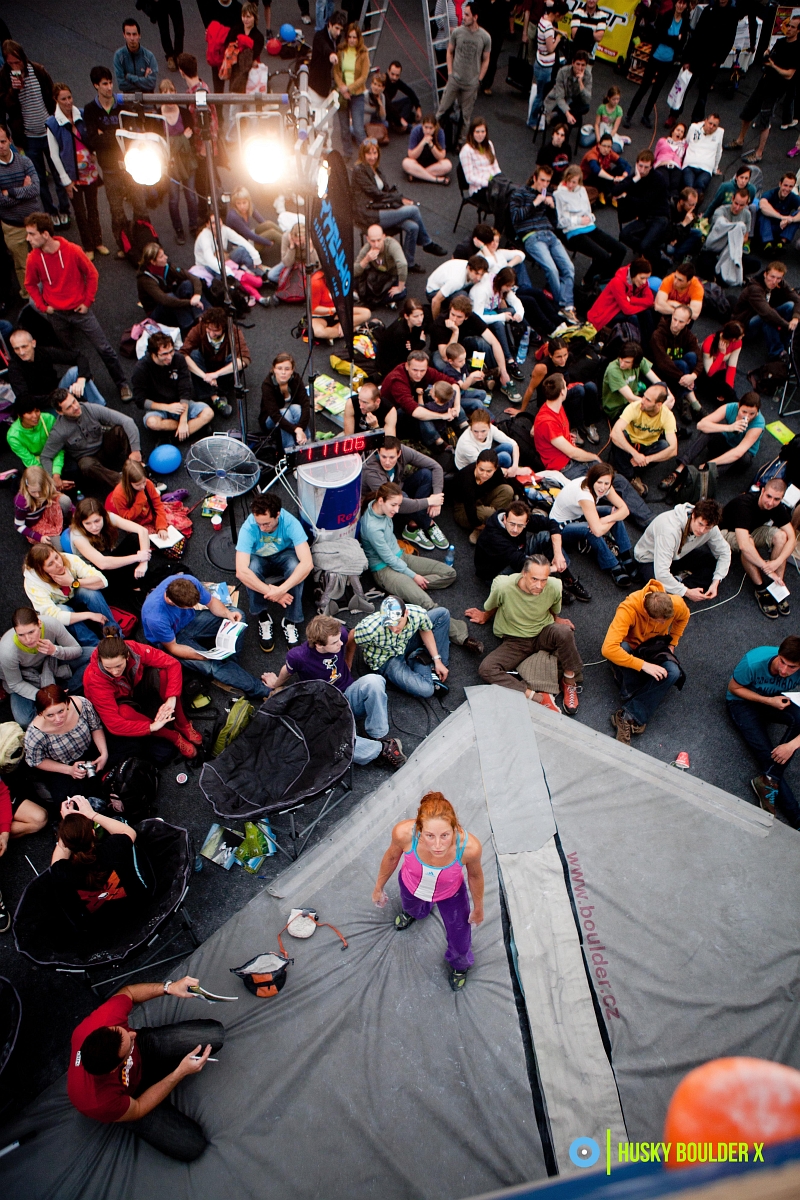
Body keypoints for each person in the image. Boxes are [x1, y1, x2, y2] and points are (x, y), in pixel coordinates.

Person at [67, 976, 223, 1161]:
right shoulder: (98, 1102)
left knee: (215, 1034)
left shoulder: (105, 1020)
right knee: (192, 1146)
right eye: (129, 1042)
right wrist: (179, 1073)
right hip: (132, 1097)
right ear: (115, 1068)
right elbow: (139, 1108)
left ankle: (155, 1063)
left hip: (144, 1051)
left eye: (126, 1033)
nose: (132, 1034)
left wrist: (170, 988)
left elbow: (129, 993)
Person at [372, 791, 484, 992]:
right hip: (411, 886)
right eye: (430, 836)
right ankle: (414, 913)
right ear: (419, 830)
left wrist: (478, 908)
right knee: (413, 909)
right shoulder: (404, 834)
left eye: (445, 836)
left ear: (454, 828)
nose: (438, 845)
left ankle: (460, 966)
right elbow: (391, 858)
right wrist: (378, 887)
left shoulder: (469, 848)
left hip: (451, 894)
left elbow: (475, 876)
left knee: (460, 938)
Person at [264, 615, 405, 769]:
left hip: (348, 695)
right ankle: (381, 750)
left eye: (339, 640)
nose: (340, 643)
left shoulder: (340, 633)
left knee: (374, 681)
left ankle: (378, 735)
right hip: (326, 709)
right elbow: (287, 671)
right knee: (329, 743)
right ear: (319, 645)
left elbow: (349, 640)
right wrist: (275, 683)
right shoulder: (298, 656)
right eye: (335, 643)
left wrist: (348, 662)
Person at [24, 212, 131, 402]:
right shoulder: (33, 258)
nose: (28, 238)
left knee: (104, 348)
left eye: (32, 234)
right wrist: (43, 307)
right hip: (56, 314)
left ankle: (122, 383)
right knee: (71, 353)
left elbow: (92, 274)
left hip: (79, 311)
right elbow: (30, 284)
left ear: (45, 234)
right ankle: (86, 378)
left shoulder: (72, 250)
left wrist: (87, 302)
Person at [359, 483, 475, 648]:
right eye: (394, 505)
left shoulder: (381, 508)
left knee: (449, 573)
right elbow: (389, 559)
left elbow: (395, 555)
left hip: (401, 557)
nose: (397, 510)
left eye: (399, 505)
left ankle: (408, 588)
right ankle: (462, 637)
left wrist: (412, 578)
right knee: (427, 604)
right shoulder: (372, 527)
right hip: (384, 569)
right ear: (381, 500)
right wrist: (413, 576)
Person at [466, 553, 582, 713]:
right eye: (534, 579)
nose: (539, 585)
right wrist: (484, 616)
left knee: (565, 631)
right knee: (486, 669)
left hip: (543, 631)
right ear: (523, 573)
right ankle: (537, 697)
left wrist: (557, 620)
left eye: (544, 580)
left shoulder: (555, 586)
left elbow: (552, 609)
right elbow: (493, 605)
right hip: (515, 640)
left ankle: (569, 682)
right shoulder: (503, 586)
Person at [141, 573, 272, 697]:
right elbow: (173, 647)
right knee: (212, 665)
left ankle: (230, 664)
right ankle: (263, 691)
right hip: (173, 639)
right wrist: (202, 656)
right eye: (188, 606)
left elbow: (211, 602)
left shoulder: (188, 581)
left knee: (238, 616)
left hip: (190, 621)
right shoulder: (155, 617)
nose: (192, 606)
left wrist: (227, 614)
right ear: (172, 602)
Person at [83, 628, 202, 761]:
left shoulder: (134, 649)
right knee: (124, 713)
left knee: (164, 673)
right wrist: (151, 727)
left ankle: (182, 723)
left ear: (127, 656)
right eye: (108, 668)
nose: (114, 672)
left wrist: (171, 699)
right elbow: (113, 724)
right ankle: (173, 736)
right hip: (121, 701)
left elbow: (172, 664)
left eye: (118, 666)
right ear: (100, 661)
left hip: (135, 686)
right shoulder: (95, 680)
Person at [51, 795, 155, 945]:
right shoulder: (112, 848)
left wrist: (68, 823)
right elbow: (129, 832)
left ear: (66, 844)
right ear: (93, 834)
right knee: (121, 822)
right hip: (139, 906)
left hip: (102, 929)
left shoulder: (62, 872)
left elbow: (59, 856)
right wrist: (91, 814)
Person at [602, 580, 689, 744]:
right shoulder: (628, 608)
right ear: (648, 614)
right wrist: (644, 666)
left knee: (674, 673)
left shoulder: (675, 603)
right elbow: (607, 649)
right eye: (661, 621)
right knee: (622, 648)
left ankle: (628, 714)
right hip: (632, 647)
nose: (664, 623)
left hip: (654, 646)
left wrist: (672, 643)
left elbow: (684, 617)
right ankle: (638, 695)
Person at [726, 636, 800, 826]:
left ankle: (768, 779)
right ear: (778, 654)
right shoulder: (753, 661)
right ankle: (797, 817)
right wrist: (768, 701)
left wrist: (792, 745)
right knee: (768, 756)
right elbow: (733, 688)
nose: (784, 671)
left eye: (792, 667)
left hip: (774, 699)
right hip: (742, 703)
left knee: (774, 767)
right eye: (782, 662)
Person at [82, 65, 147, 257]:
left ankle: (144, 242)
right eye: (104, 84)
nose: (109, 87)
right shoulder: (90, 110)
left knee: (140, 206)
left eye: (110, 83)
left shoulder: (122, 106)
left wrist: (107, 134)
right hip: (110, 170)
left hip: (131, 166)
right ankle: (124, 247)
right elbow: (93, 140)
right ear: (96, 85)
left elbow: (131, 135)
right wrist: (117, 134)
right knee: (117, 211)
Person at [234, 492, 312, 652]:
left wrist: (281, 590)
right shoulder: (249, 527)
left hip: (284, 554)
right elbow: (241, 571)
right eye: (259, 524)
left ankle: (290, 620)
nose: (262, 528)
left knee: (295, 566)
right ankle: (263, 616)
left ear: (277, 514)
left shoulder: (290, 523)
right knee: (251, 569)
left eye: (266, 524)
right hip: (259, 557)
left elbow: (307, 563)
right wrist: (273, 592)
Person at [351, 140, 445, 269]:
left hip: (381, 207)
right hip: (370, 214)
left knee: (413, 227)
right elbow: (377, 194)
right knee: (413, 210)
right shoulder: (359, 171)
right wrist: (400, 200)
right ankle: (427, 243)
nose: (372, 157)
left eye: (375, 153)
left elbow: (386, 191)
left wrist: (397, 199)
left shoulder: (376, 168)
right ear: (363, 154)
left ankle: (408, 264)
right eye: (369, 154)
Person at [724, 14, 800, 165]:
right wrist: (767, 56)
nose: (789, 29)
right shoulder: (780, 42)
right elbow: (770, 58)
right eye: (788, 25)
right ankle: (740, 140)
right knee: (747, 113)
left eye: (793, 27)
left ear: (798, 31)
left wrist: (773, 66)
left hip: (775, 89)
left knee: (764, 121)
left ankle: (759, 153)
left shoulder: (797, 49)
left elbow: (789, 74)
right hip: (763, 82)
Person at [0, 41, 63, 222]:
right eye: (11, 63)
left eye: (17, 62)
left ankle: (64, 209)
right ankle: (50, 212)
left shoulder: (38, 71)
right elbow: (5, 106)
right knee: (39, 178)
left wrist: (56, 123)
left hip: (48, 132)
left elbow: (53, 97)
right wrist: (14, 91)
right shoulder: (4, 77)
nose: (15, 67)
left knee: (58, 172)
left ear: (23, 58)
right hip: (29, 137)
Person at [473, 500, 588, 599]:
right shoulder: (494, 536)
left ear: (526, 522)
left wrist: (558, 555)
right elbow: (520, 562)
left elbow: (552, 524)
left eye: (520, 526)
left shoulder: (522, 520)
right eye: (512, 524)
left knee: (545, 536)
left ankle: (567, 579)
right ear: (505, 518)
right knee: (529, 568)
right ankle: (549, 587)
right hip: (496, 572)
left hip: (517, 552)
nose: (515, 529)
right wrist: (551, 568)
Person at [549, 461, 638, 588]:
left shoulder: (605, 487)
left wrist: (607, 518)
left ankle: (625, 555)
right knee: (590, 530)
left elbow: (625, 510)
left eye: (606, 483)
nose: (602, 487)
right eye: (599, 482)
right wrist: (612, 519)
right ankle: (613, 564)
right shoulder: (584, 495)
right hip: (561, 527)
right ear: (592, 480)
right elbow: (597, 531)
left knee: (612, 513)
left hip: (579, 515)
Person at [510, 165, 577, 326]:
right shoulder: (520, 193)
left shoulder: (549, 193)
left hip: (549, 233)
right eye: (542, 180)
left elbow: (556, 222)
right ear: (534, 178)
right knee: (552, 269)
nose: (545, 184)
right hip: (532, 235)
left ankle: (567, 306)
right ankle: (562, 305)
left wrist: (553, 208)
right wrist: (535, 203)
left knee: (569, 267)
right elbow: (515, 218)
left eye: (548, 181)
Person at [0, 606, 88, 728]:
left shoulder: (51, 624)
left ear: (39, 623)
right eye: (21, 635)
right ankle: (59, 697)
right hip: (27, 678)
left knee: (95, 655)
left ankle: (62, 692)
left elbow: (77, 650)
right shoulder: (7, 650)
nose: (28, 639)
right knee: (24, 719)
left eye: (31, 632)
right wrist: (45, 696)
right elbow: (15, 683)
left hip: (52, 660)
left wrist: (55, 650)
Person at [720, 480, 797, 619]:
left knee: (781, 536)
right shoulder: (744, 504)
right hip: (725, 533)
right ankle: (760, 589)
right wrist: (767, 569)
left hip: (750, 531)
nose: (771, 502)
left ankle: (776, 585)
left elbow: (792, 538)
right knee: (748, 544)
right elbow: (744, 544)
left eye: (776, 499)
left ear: (781, 498)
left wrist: (777, 562)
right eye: (768, 496)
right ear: (762, 491)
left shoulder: (777, 507)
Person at [46, 83, 106, 258]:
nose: (68, 102)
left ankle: (98, 242)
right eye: (63, 99)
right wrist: (65, 180)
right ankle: (88, 246)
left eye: (69, 97)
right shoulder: (52, 124)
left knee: (93, 209)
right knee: (80, 212)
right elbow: (54, 155)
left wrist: (95, 153)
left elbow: (93, 137)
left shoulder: (82, 114)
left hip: (89, 171)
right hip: (72, 176)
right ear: (56, 100)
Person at [24, 685, 109, 808]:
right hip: (62, 765)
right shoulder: (34, 734)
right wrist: (69, 770)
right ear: (41, 713)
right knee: (68, 801)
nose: (58, 719)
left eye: (61, 711)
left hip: (89, 749)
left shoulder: (81, 705)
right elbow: (36, 761)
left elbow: (95, 726)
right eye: (50, 715)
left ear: (67, 703)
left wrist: (103, 753)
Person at [352, 595, 451, 700]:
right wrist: (347, 666)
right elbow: (352, 637)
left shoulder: (417, 613)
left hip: (405, 642)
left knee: (442, 614)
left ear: (406, 613)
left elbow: (425, 629)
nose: (394, 629)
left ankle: (429, 662)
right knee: (426, 690)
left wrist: (437, 659)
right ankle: (422, 660)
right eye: (389, 624)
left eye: (398, 622)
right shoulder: (369, 628)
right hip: (388, 659)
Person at [42, 389, 141, 493]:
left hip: (105, 446)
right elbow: (45, 457)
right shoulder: (59, 431)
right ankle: (123, 482)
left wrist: (135, 450)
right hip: (89, 459)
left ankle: (139, 468)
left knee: (120, 430)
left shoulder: (90, 408)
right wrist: (54, 478)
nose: (75, 407)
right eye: (69, 407)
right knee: (86, 465)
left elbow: (127, 421)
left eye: (74, 401)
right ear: (60, 412)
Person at [634, 498, 731, 601]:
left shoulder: (711, 528)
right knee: (658, 595)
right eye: (700, 524)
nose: (702, 530)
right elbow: (661, 573)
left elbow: (724, 552)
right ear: (693, 515)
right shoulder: (669, 530)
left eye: (708, 528)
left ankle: (678, 584)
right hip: (650, 559)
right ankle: (681, 587)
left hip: (679, 555)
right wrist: (687, 592)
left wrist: (715, 582)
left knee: (713, 564)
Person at [361, 435, 448, 550]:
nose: (387, 462)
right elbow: (394, 501)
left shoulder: (403, 451)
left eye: (392, 457)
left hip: (397, 489)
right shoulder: (371, 471)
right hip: (382, 504)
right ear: (378, 452)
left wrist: (437, 497)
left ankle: (414, 522)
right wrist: (430, 501)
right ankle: (425, 524)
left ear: (399, 454)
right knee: (402, 497)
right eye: (383, 457)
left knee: (426, 475)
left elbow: (436, 467)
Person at [68, 498, 152, 611]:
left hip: (108, 557)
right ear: (81, 522)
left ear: (103, 516)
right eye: (88, 523)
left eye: (97, 521)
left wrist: (143, 562)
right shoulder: (77, 536)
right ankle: (134, 586)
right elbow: (103, 564)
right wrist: (138, 557)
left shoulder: (108, 517)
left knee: (134, 538)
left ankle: (136, 581)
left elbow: (142, 531)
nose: (94, 527)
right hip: (96, 570)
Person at [23, 544, 114, 647]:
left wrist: (73, 582)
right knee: (63, 610)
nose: (58, 564)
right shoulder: (33, 585)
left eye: (56, 557)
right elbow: (54, 616)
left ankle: (113, 635)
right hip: (59, 606)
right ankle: (96, 646)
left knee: (90, 592)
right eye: (50, 564)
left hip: (75, 594)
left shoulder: (69, 559)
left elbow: (102, 581)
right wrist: (89, 615)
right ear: (41, 570)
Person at [131, 331, 214, 442]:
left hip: (181, 404)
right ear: (153, 354)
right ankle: (192, 429)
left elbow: (185, 391)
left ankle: (173, 437)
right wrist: (167, 407)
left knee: (208, 413)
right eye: (164, 354)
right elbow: (140, 400)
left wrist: (183, 421)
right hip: (159, 407)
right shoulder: (141, 369)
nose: (169, 357)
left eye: (171, 351)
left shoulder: (179, 359)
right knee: (152, 422)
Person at [666, 392, 764, 485]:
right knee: (708, 430)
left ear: (757, 413)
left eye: (752, 414)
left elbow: (738, 453)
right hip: (725, 443)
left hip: (739, 459)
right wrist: (729, 428)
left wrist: (710, 463)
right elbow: (701, 425)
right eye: (744, 412)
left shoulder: (758, 423)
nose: (747, 417)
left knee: (740, 458)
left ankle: (697, 480)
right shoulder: (730, 407)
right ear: (739, 406)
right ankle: (680, 468)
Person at [554, 164, 626, 286]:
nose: (570, 185)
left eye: (574, 182)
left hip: (590, 227)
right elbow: (560, 222)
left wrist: (590, 218)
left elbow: (588, 210)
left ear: (579, 182)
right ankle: (586, 282)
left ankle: (605, 277)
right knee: (602, 256)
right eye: (568, 181)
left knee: (620, 250)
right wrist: (579, 220)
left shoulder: (582, 190)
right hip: (573, 232)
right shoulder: (558, 194)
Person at [623, 0, 690, 129]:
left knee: (657, 90)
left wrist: (672, 39)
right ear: (675, 3)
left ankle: (646, 115)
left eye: (683, 3)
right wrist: (676, 38)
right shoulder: (666, 16)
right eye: (679, 2)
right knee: (644, 87)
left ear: (686, 6)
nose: (681, 6)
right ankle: (629, 115)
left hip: (668, 61)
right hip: (656, 57)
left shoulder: (685, 22)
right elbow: (660, 36)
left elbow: (681, 43)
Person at [380, 351, 466, 451]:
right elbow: (414, 411)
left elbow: (453, 384)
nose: (419, 374)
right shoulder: (397, 380)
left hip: (415, 400)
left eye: (422, 371)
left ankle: (464, 427)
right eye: (415, 370)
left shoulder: (428, 372)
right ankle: (438, 443)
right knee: (422, 413)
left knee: (444, 395)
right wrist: (443, 416)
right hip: (394, 413)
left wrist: (456, 407)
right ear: (407, 366)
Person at [675, 0, 740, 126]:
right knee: (684, 86)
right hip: (696, 56)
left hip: (711, 62)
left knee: (703, 93)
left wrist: (718, 60)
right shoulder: (708, 9)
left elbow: (729, 40)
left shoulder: (732, 15)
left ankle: (696, 121)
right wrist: (686, 58)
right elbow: (696, 34)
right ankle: (674, 113)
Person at [8, 327, 106, 410]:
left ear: (33, 343)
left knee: (75, 372)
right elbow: (25, 399)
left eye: (24, 346)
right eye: (16, 348)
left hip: (56, 390)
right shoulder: (14, 368)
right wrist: (58, 397)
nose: (21, 352)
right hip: (42, 406)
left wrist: (81, 379)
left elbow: (79, 357)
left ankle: (100, 408)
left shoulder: (43, 352)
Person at [435, 2, 491, 144]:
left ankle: (460, 143)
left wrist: (479, 79)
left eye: (467, 15)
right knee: (441, 111)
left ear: (475, 17)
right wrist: (450, 73)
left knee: (465, 117)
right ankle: (433, 138)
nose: (463, 17)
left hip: (471, 84)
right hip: (455, 80)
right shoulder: (457, 32)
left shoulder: (485, 37)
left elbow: (486, 60)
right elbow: (449, 51)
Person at [610, 385, 678, 496]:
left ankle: (627, 472)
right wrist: (635, 454)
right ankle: (629, 476)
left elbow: (673, 449)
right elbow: (614, 433)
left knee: (664, 445)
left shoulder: (667, 416)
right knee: (621, 435)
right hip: (629, 444)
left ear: (659, 404)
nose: (642, 401)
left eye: (648, 400)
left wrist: (647, 459)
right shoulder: (634, 407)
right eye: (644, 396)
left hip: (646, 448)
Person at [106, 459, 192, 543]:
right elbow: (127, 519)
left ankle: (169, 498)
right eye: (138, 484)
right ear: (128, 482)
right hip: (138, 523)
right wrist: (140, 502)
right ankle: (168, 498)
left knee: (178, 527)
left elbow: (157, 505)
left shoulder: (148, 483)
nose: (143, 486)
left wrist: (161, 526)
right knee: (152, 541)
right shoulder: (118, 495)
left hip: (152, 513)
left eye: (143, 482)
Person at [181, 309, 248, 414]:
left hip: (223, 369)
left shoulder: (233, 331)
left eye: (216, 330)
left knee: (234, 359)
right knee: (193, 355)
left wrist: (216, 374)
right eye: (209, 329)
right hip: (205, 368)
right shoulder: (198, 329)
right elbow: (183, 353)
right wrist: (204, 376)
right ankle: (215, 397)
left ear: (223, 327)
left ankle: (215, 392)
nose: (212, 334)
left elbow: (244, 359)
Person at [0, 121, 40, 298]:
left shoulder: (24, 161)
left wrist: (10, 192)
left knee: (43, 260)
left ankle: (49, 294)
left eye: (3, 141)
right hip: (12, 226)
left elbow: (35, 189)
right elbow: (1, 201)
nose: (0, 146)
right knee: (23, 266)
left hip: (34, 222)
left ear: (10, 140)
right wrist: (24, 190)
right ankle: (30, 298)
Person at [468, 267, 528, 382]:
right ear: (500, 280)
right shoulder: (483, 291)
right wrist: (501, 317)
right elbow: (478, 318)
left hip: (491, 312)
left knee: (512, 311)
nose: (509, 289)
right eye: (508, 286)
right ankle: (509, 359)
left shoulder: (500, 286)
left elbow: (515, 301)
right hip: (478, 318)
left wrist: (519, 314)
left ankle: (512, 345)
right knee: (499, 324)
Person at [732, 261, 800, 361]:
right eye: (772, 277)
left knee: (790, 305)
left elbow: (797, 299)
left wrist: (795, 318)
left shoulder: (780, 283)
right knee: (768, 318)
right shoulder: (755, 289)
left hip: (763, 315)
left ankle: (788, 341)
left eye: (778, 278)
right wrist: (787, 325)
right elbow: (767, 313)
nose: (774, 281)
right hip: (746, 324)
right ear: (765, 274)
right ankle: (777, 352)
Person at [157, 79, 198, 244]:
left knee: (191, 196)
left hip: (187, 162)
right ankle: (178, 229)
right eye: (164, 92)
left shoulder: (185, 113)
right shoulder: (156, 116)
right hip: (170, 165)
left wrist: (175, 142)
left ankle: (194, 225)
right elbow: (161, 145)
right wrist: (182, 139)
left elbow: (191, 139)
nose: (169, 95)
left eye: (171, 91)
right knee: (174, 199)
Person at [137, 242, 205, 333]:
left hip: (170, 298)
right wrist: (190, 302)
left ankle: (204, 317)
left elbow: (193, 278)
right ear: (153, 262)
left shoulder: (166, 266)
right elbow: (165, 300)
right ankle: (190, 327)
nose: (166, 257)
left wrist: (197, 295)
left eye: (164, 254)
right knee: (170, 297)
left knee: (187, 284)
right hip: (157, 310)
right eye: (161, 257)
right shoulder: (145, 280)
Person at [616, 150, 670, 261]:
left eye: (646, 167)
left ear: (651, 167)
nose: (642, 170)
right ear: (636, 164)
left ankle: (657, 258)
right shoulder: (637, 176)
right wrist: (634, 180)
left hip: (659, 217)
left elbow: (644, 203)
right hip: (644, 218)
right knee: (624, 235)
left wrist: (626, 196)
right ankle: (653, 251)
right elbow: (615, 190)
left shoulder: (658, 179)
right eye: (640, 166)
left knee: (644, 246)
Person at [649, 306, 701, 420]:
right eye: (675, 319)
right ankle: (690, 401)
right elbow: (663, 364)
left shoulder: (688, 335)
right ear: (672, 316)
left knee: (692, 356)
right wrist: (685, 378)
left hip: (679, 372)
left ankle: (684, 396)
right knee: (682, 365)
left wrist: (693, 375)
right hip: (662, 371)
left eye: (681, 322)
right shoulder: (658, 335)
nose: (676, 324)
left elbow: (699, 356)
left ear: (688, 321)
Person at [454, 449, 517, 538]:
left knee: (508, 490)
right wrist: (479, 525)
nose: (484, 474)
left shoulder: (497, 472)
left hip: (481, 499)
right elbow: (469, 508)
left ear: (495, 469)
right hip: (463, 509)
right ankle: (484, 527)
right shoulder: (467, 478)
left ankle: (490, 521)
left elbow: (503, 485)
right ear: (476, 464)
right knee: (489, 512)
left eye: (489, 471)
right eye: (481, 470)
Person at [588, 258, 655, 340]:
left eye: (646, 278)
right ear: (634, 273)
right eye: (642, 278)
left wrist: (632, 300)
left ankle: (651, 340)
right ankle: (641, 344)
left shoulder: (640, 282)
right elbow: (627, 310)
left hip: (620, 308)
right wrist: (644, 306)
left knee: (647, 312)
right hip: (606, 313)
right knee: (633, 317)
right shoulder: (618, 282)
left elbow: (650, 300)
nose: (644, 282)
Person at [259, 351, 311, 451]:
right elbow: (274, 415)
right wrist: (296, 429)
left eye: (287, 369)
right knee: (284, 412)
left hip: (292, 415)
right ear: (274, 369)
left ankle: (307, 441)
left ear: (292, 370)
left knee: (297, 408)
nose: (283, 372)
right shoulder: (267, 385)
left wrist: (300, 428)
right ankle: (290, 448)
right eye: (279, 368)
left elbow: (305, 404)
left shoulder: (296, 379)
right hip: (271, 419)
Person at [601, 342, 664, 421]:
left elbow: (657, 382)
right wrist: (654, 405)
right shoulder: (613, 369)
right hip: (617, 407)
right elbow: (630, 397)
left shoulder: (640, 361)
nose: (622, 364)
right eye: (621, 359)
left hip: (636, 400)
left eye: (627, 362)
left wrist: (669, 395)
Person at [15, 465, 73, 549]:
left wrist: (75, 515)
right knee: (60, 547)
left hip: (47, 511)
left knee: (65, 500)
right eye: (33, 492)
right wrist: (39, 537)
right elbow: (19, 526)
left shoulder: (49, 486)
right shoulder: (21, 502)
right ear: (26, 487)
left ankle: (67, 522)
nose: (37, 495)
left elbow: (60, 496)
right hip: (36, 524)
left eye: (40, 491)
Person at [333, 23, 369, 156]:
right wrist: (342, 89)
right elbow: (336, 72)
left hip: (357, 95)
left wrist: (348, 88)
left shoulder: (363, 53)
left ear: (358, 38)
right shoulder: (341, 51)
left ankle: (366, 155)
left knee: (358, 129)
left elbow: (364, 77)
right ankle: (347, 153)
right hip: (343, 95)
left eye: (354, 37)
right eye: (350, 37)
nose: (352, 40)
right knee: (344, 128)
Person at [194, 211, 263, 280]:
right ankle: (236, 279)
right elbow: (209, 260)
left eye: (219, 221)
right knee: (220, 274)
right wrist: (228, 271)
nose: (217, 225)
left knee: (241, 250)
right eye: (213, 223)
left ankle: (260, 274)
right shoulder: (204, 237)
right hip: (208, 265)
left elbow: (242, 241)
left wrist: (256, 257)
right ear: (207, 225)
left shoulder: (224, 229)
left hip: (223, 260)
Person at [706, 188, 753, 286]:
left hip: (732, 250)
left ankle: (723, 275)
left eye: (741, 205)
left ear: (746, 204)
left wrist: (734, 242)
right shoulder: (721, 211)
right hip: (716, 248)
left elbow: (745, 237)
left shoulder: (747, 215)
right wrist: (736, 230)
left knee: (755, 264)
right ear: (732, 199)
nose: (737, 208)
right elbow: (720, 225)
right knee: (705, 262)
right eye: (736, 203)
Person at [309, 266, 371, 341]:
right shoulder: (316, 282)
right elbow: (313, 308)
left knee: (366, 313)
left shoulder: (342, 277)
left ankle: (335, 333)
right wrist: (332, 310)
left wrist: (343, 319)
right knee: (319, 332)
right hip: (320, 315)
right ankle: (351, 329)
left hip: (338, 312)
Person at [353, 224, 407, 308]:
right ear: (368, 239)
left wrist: (400, 287)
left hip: (390, 277)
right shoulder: (367, 248)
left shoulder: (391, 245)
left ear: (383, 237)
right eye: (373, 241)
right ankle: (384, 301)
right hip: (375, 276)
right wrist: (366, 260)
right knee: (350, 280)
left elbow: (403, 264)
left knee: (402, 293)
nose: (376, 244)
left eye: (379, 240)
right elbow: (354, 271)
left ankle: (366, 299)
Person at [527, 2, 562, 131]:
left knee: (539, 93)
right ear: (557, 14)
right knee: (541, 96)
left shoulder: (543, 18)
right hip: (545, 66)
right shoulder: (548, 27)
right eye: (562, 17)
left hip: (539, 61)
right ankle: (532, 121)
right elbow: (550, 48)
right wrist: (557, 39)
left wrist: (557, 31)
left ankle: (534, 118)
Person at [694, 321, 743, 406]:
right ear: (733, 339)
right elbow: (710, 372)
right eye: (741, 336)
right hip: (704, 372)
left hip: (720, 370)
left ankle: (732, 402)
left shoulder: (738, 343)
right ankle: (737, 404)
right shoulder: (709, 343)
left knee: (724, 391)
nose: (742, 337)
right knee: (721, 392)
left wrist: (728, 388)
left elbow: (732, 367)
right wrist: (722, 354)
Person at [455, 407, 519, 472]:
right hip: (471, 468)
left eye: (483, 431)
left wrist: (515, 467)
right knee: (505, 457)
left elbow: (514, 444)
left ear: (489, 426)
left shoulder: (491, 428)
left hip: (484, 455)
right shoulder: (466, 443)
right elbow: (482, 467)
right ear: (470, 427)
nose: (479, 436)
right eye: (475, 431)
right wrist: (511, 471)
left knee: (508, 446)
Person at [374, 298, 427, 376]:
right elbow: (406, 357)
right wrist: (421, 343)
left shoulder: (411, 323)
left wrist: (411, 347)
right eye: (415, 316)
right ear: (406, 316)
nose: (420, 319)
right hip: (389, 364)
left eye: (421, 315)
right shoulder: (400, 332)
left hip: (396, 354)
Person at [544, 50, 593, 130]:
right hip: (559, 101)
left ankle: (560, 119)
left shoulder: (588, 75)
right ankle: (564, 123)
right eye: (578, 64)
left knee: (586, 107)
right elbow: (559, 97)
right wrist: (568, 114)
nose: (580, 68)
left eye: (583, 65)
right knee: (567, 121)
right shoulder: (563, 72)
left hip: (573, 101)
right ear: (573, 63)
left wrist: (580, 82)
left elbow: (587, 100)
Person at [225, 186, 281, 255]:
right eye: (238, 203)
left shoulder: (250, 207)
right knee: (272, 233)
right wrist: (268, 242)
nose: (242, 206)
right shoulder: (233, 216)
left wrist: (267, 227)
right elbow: (249, 234)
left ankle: (288, 237)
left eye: (244, 202)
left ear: (248, 201)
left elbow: (262, 221)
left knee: (268, 224)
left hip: (248, 236)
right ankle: (290, 244)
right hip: (242, 245)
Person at [459, 116, 501, 202]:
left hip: (493, 184)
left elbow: (496, 167)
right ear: (472, 133)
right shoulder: (466, 150)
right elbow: (470, 178)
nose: (480, 135)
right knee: (503, 201)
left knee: (510, 195)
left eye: (483, 132)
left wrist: (500, 181)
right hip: (478, 189)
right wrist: (488, 183)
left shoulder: (489, 144)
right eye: (477, 132)